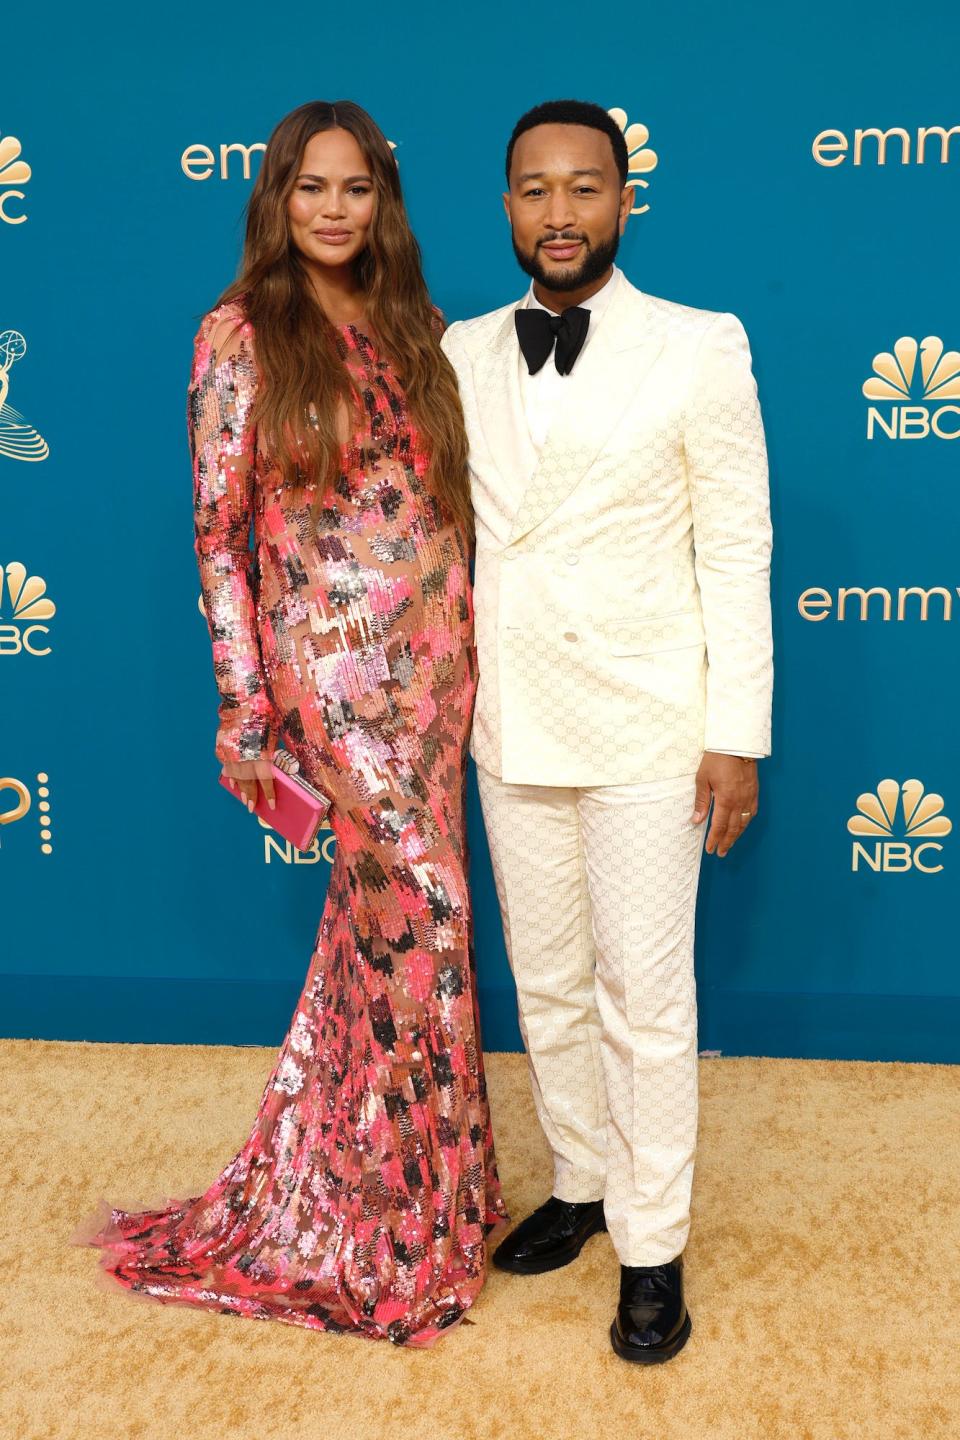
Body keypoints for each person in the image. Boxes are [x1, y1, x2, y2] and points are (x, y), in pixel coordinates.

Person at [73, 99, 507, 1347]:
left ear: (384, 202)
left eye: (356, 189)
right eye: (311, 188)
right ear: (276, 196)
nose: (333, 210)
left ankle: (426, 1198)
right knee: (423, 919)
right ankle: (392, 1230)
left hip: (437, 672)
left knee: (394, 946)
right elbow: (218, 536)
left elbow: (445, 505)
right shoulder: (238, 334)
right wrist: (247, 706)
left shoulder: (419, 325)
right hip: (334, 678)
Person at [440, 98, 773, 1363]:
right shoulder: (463, 349)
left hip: (644, 722)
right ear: (508, 204)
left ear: (625, 201)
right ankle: (581, 1178)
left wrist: (735, 729)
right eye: (536, 188)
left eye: (586, 187)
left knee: (649, 995)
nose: (561, 211)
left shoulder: (698, 345)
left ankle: (651, 1241)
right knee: (551, 981)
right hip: (513, 719)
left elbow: (736, 544)